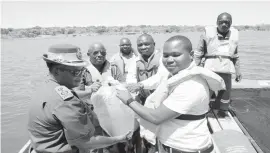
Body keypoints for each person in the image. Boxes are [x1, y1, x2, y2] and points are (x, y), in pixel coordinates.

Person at [116, 35, 226, 153]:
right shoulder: (176, 75)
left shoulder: (191, 85)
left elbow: (156, 117)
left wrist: (128, 100)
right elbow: (158, 78)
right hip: (170, 144)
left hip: (185, 148)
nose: (169, 60)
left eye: (176, 55)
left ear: (191, 55)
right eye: (166, 55)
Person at [28, 44, 132, 153]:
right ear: (57, 71)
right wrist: (120, 138)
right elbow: (86, 143)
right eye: (75, 72)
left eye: (81, 70)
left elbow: (73, 95)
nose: (80, 75)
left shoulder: (46, 87)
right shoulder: (65, 102)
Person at [194, 12, 242, 116]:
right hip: (210, 68)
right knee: (207, 89)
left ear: (231, 23)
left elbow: (235, 56)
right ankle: (203, 110)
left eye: (227, 22)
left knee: (225, 91)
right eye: (222, 22)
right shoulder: (207, 34)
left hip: (226, 68)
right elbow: (198, 53)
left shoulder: (234, 36)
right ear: (217, 23)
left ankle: (223, 111)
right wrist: (194, 68)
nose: (224, 24)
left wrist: (238, 71)